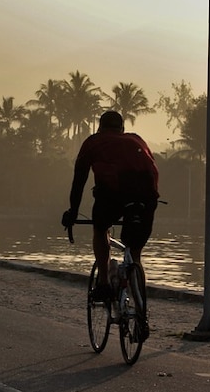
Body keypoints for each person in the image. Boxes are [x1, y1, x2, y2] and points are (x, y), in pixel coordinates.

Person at [60, 110, 159, 315]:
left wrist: (73, 211)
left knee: (100, 228)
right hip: (147, 197)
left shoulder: (94, 142)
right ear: (122, 129)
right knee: (134, 251)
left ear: (100, 127)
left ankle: (104, 282)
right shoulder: (136, 140)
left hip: (113, 195)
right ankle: (140, 311)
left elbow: (79, 181)